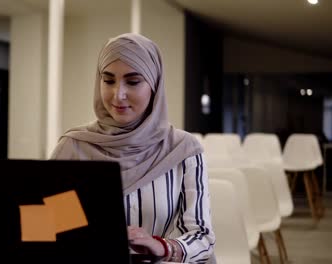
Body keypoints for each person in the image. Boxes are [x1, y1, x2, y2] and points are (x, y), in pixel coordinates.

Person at [50, 33, 215, 263]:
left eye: (133, 81)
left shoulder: (183, 150)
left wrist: (161, 246)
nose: (118, 95)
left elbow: (202, 237)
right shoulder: (74, 146)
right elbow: (50, 228)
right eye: (108, 81)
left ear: (154, 85)